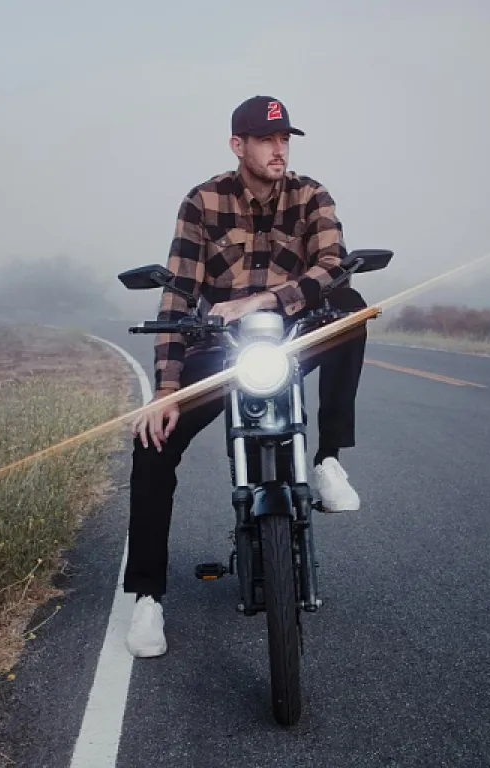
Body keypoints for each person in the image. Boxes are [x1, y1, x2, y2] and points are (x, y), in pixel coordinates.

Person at [124, 95, 368, 658]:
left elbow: (331, 266)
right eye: (266, 139)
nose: (279, 149)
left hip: (294, 339)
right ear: (239, 145)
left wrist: (267, 299)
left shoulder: (312, 195)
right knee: (151, 441)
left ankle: (329, 458)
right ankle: (146, 600)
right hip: (219, 350)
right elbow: (178, 291)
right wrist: (165, 389)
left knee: (352, 304)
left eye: (285, 139)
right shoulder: (203, 201)